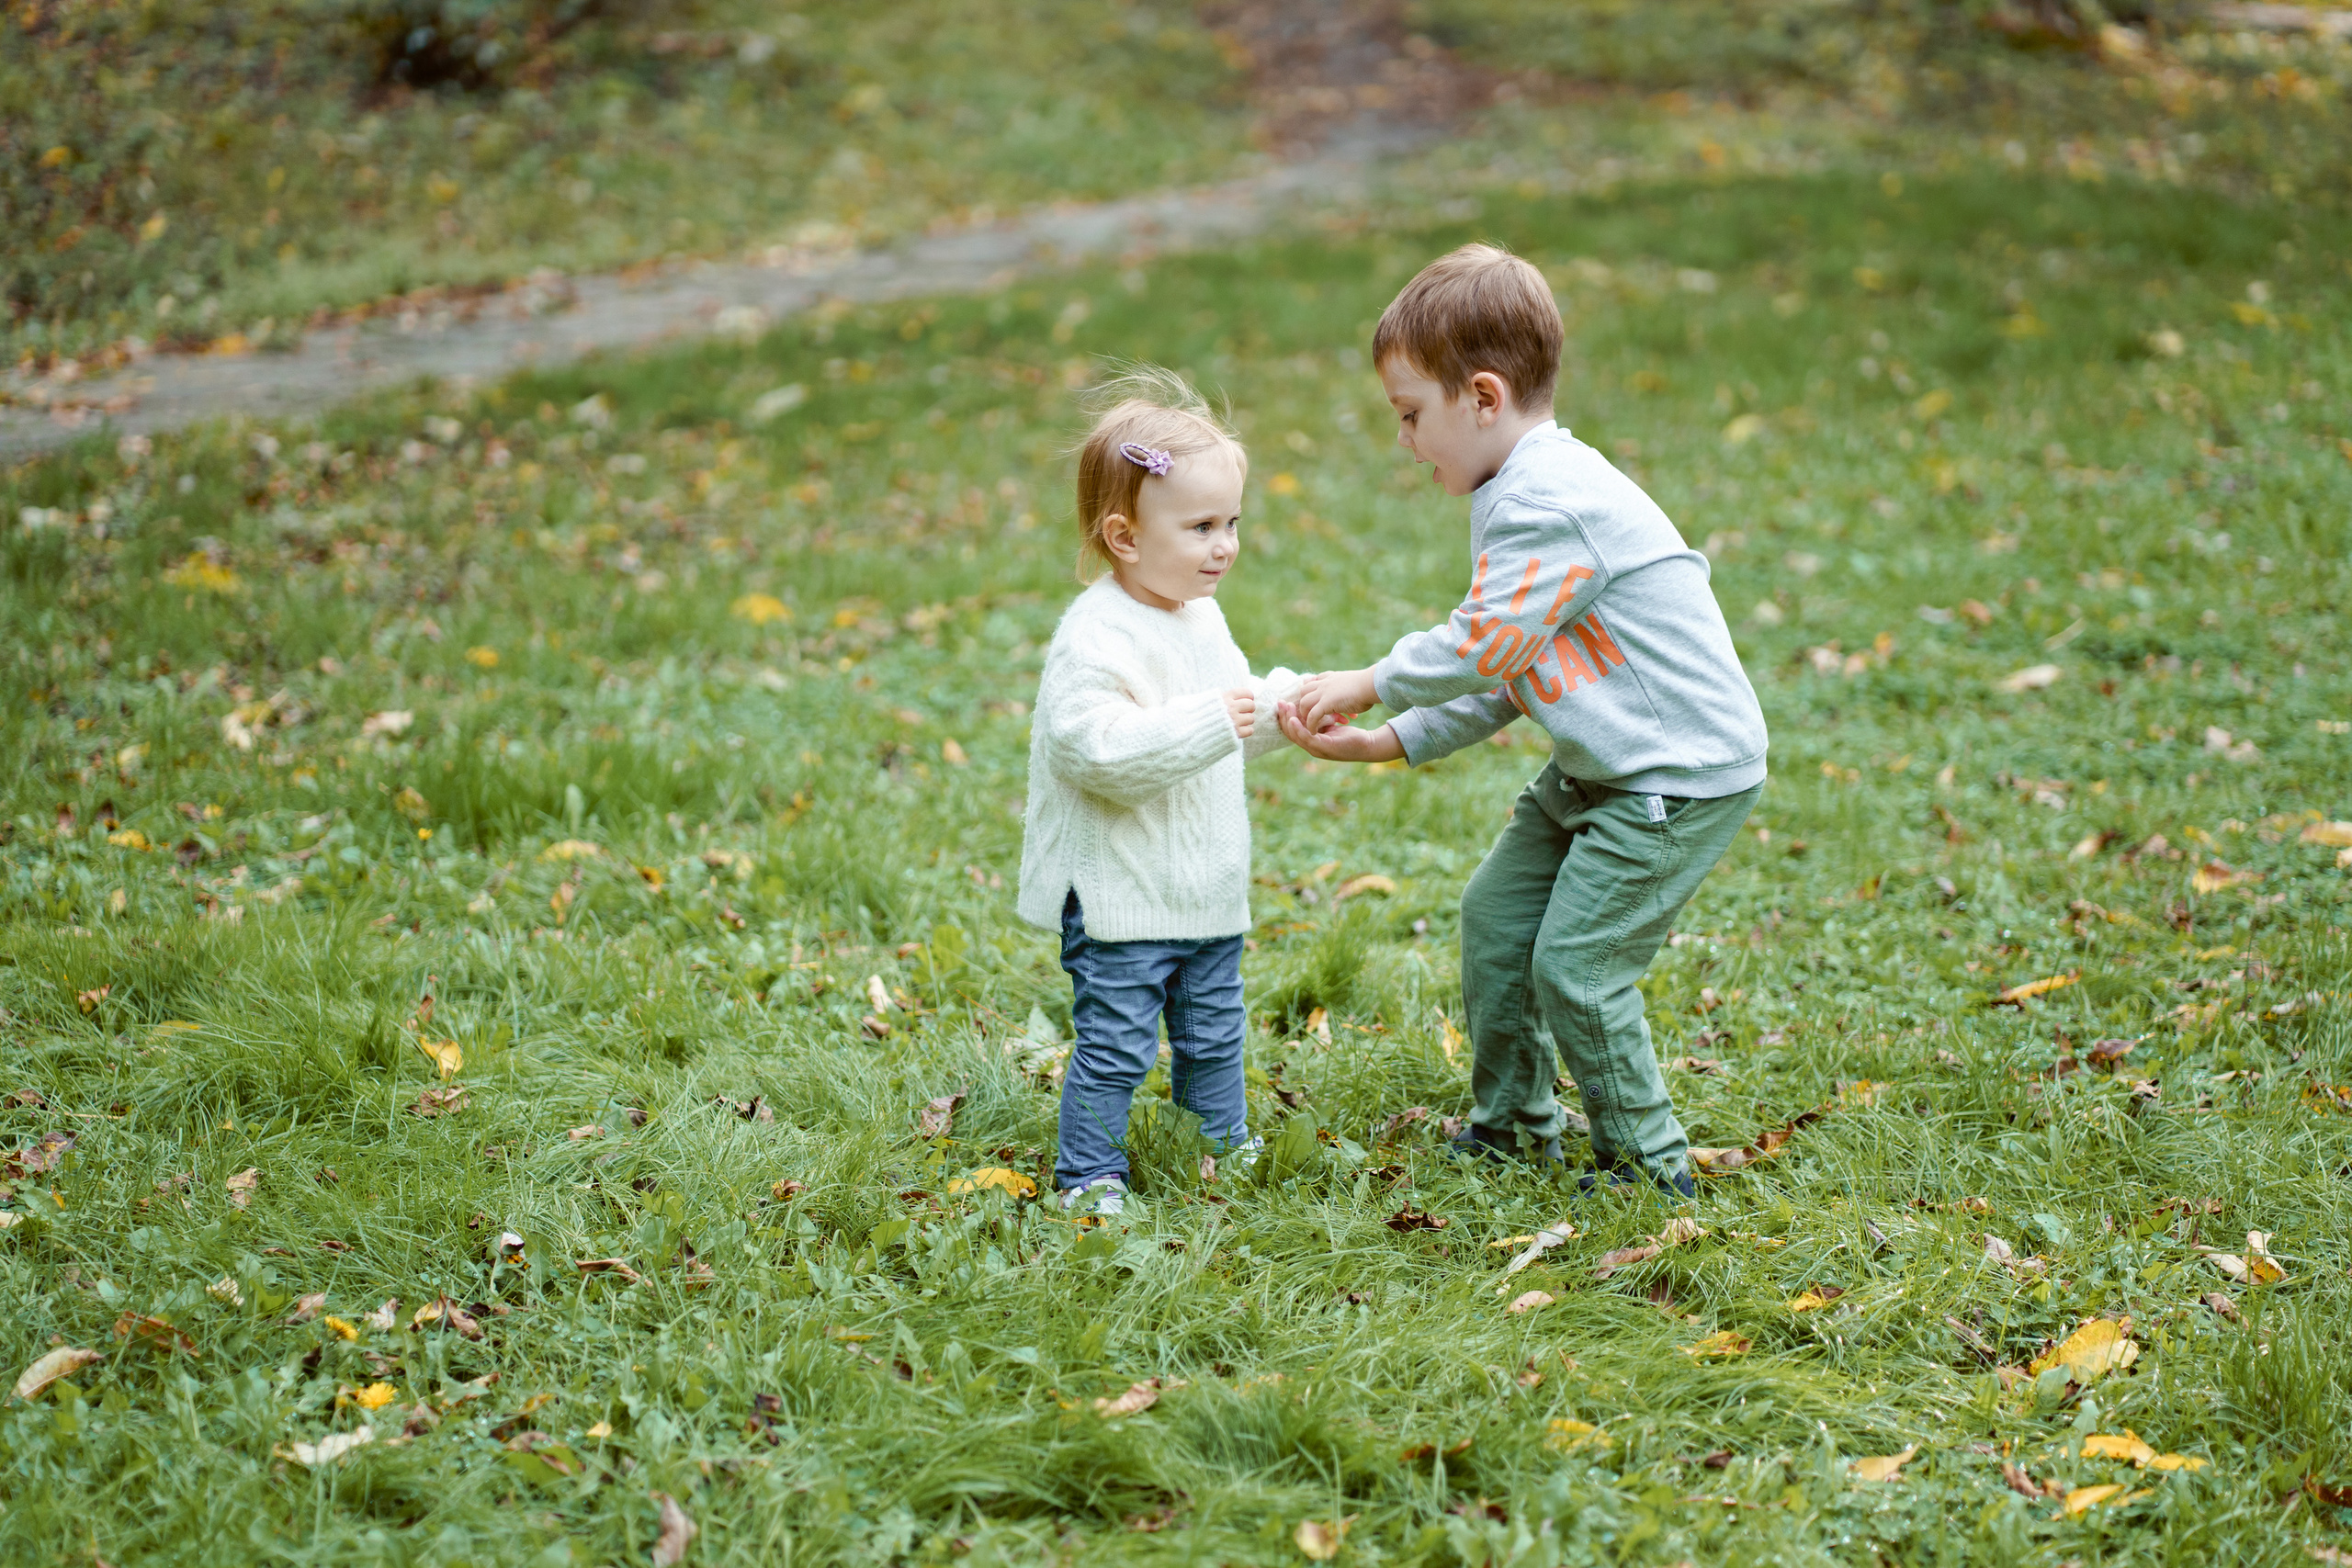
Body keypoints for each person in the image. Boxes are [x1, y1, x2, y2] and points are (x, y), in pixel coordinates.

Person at [1280, 243, 1769, 1197]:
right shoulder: (1515, 490)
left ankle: (1647, 1168)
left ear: (1484, 398)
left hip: (1672, 774)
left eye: (1411, 416)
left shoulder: (1548, 500)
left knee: (1577, 969)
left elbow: (1480, 644)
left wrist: (1371, 680)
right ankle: (1513, 1124)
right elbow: (1515, 666)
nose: (1405, 441)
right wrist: (1389, 741)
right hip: (1605, 761)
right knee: (1497, 919)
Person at [1018, 367, 1299, 1219]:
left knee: (1215, 1033)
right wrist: (1219, 716)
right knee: (1117, 1042)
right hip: (1119, 893)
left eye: (1233, 523)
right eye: (1202, 526)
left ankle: (1220, 1142)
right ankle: (1089, 1174)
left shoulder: (1197, 614)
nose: (1226, 545)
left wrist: (1305, 702)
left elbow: (1237, 710)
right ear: (1126, 536)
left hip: (1204, 885)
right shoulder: (1095, 635)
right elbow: (1098, 752)